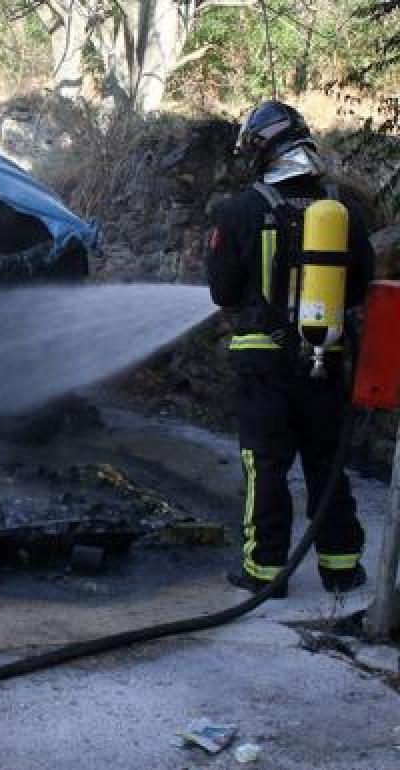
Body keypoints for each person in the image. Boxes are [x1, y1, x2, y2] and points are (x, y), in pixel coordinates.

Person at [208, 100, 374, 598]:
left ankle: (264, 572)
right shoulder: (341, 211)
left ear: (260, 151)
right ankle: (341, 568)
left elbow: (222, 290)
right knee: (327, 461)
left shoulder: (239, 211)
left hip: (263, 362)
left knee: (267, 465)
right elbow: (362, 281)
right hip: (326, 356)